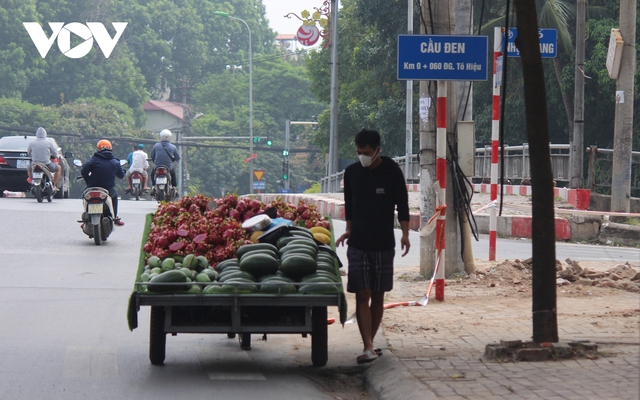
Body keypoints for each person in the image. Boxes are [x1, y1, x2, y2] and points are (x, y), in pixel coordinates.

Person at [335, 128, 410, 364]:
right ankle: (367, 345)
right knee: (362, 294)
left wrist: (406, 234)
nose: (362, 156)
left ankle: (370, 342)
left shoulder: (392, 172)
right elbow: (350, 204)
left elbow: (403, 206)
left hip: (383, 244)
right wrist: (348, 228)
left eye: (366, 152)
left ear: (378, 150)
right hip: (358, 243)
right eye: (359, 152)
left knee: (378, 295)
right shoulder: (352, 172)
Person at [81, 139, 126, 226]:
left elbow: (84, 171)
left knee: (84, 196)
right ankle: (115, 218)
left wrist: (88, 180)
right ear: (111, 149)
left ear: (98, 149)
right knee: (115, 197)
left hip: (92, 187)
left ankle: (86, 219)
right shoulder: (115, 162)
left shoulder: (93, 159)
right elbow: (121, 175)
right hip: (108, 189)